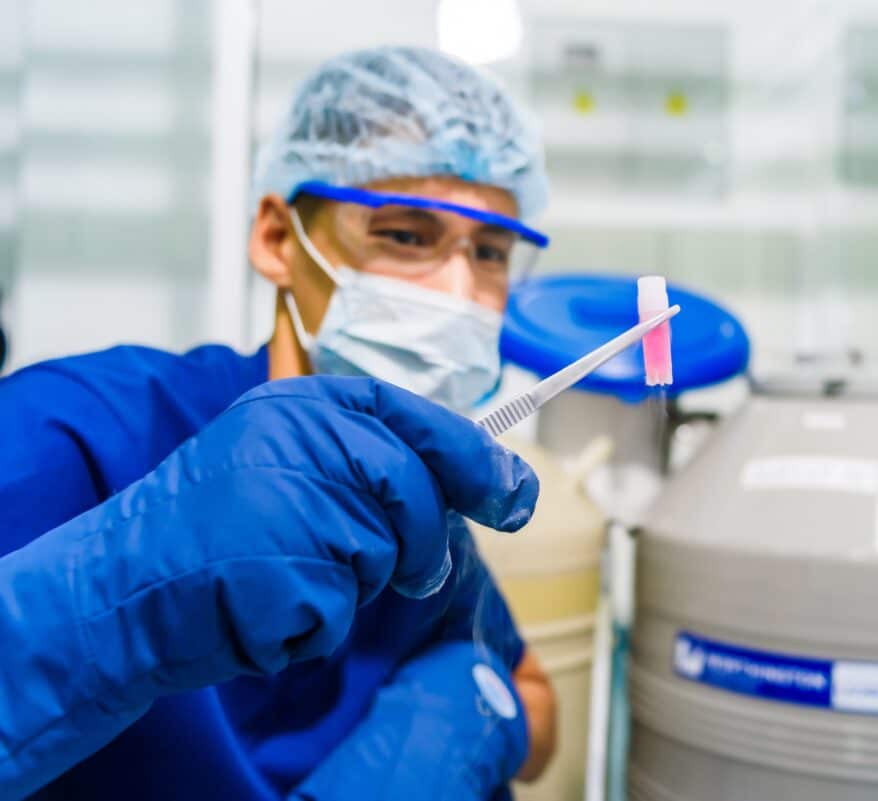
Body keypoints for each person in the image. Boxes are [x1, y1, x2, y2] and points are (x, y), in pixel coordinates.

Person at [0, 46, 556, 801]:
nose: (459, 291)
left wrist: (458, 720)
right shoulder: (75, 429)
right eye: (404, 234)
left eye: (490, 252)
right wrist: (127, 588)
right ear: (278, 238)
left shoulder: (409, 498)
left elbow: (529, 687)